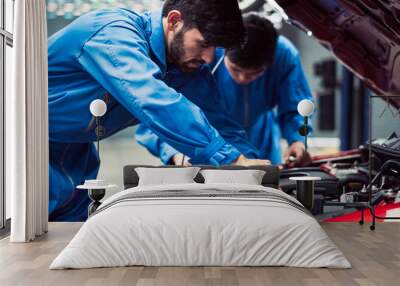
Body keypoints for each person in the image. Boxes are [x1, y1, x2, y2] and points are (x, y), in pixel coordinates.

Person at [48, 1, 269, 222]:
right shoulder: (113, 33)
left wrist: (254, 169)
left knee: (70, 238)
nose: (208, 58)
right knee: (32, 242)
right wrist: (230, 160)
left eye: (215, 49)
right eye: (203, 44)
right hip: (30, 148)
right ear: (174, 21)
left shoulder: (185, 68)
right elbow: (152, 98)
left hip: (76, 155)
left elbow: (221, 127)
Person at [135, 13, 313, 167]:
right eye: (236, 70)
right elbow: (156, 120)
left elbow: (296, 105)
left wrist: (298, 140)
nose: (243, 79)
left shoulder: (284, 55)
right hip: (201, 147)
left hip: (261, 141)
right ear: (223, 52)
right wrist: (176, 153)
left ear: (272, 62)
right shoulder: (201, 57)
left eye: (255, 74)